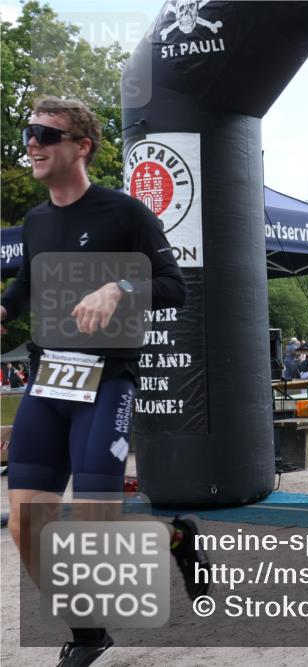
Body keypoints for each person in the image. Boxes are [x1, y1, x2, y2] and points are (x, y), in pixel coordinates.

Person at [0, 97, 204, 665]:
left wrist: (120, 286)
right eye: (27, 133)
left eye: (44, 133)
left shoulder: (125, 213)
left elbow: (173, 285)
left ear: (81, 146)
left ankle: (177, 538)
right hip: (49, 379)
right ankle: (88, 632)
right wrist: (4, 309)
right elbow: (26, 286)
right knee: (26, 526)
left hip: (107, 379)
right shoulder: (37, 221)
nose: (31, 144)